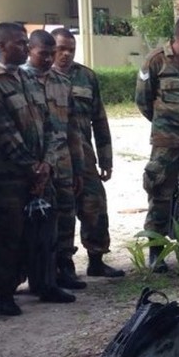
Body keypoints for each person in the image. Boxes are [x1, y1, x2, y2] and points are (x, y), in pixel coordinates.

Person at [0, 22, 64, 315]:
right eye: (19, 43)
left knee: (45, 231)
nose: (25, 48)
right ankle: (2, 291)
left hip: (39, 172)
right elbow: (2, 132)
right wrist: (31, 168)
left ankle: (45, 283)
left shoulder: (27, 79)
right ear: (1, 46)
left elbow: (49, 124)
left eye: (26, 43)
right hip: (9, 176)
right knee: (9, 235)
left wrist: (47, 163)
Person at [136, 15, 179, 272]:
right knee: (160, 194)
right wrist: (165, 124)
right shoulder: (155, 61)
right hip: (166, 141)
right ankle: (156, 251)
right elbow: (143, 101)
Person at [51, 28, 123, 278]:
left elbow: (99, 120)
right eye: (61, 48)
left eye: (71, 48)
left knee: (95, 206)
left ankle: (96, 259)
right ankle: (63, 264)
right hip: (55, 159)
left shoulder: (86, 77)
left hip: (85, 156)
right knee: (62, 211)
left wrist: (106, 158)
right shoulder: (40, 78)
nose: (66, 54)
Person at [23, 30, 85, 291]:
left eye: (52, 54)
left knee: (66, 213)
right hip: (35, 164)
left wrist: (79, 167)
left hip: (63, 161)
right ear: (30, 50)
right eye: (44, 54)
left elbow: (72, 129)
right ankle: (40, 274)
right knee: (39, 220)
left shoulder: (62, 82)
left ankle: (65, 266)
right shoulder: (20, 80)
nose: (49, 59)